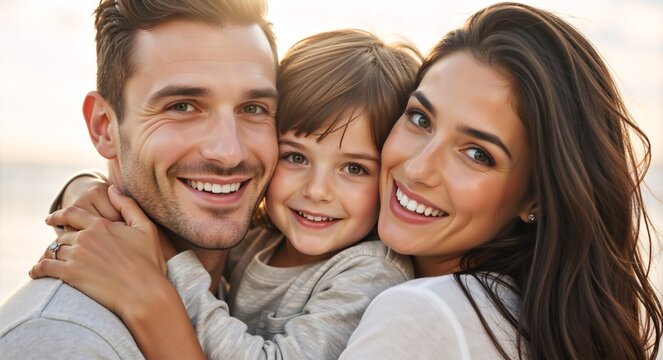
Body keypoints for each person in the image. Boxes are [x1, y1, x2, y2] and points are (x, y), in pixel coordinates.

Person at [29, 29, 420, 359]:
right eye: (296, 157)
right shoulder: (262, 236)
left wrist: (165, 266)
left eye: (354, 168)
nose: (317, 191)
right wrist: (83, 191)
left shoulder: (370, 272)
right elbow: (175, 209)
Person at [339, 2, 663, 359]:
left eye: (478, 154)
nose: (418, 169)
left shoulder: (420, 315)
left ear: (536, 199)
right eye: (420, 119)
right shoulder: (529, 322)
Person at [0, 0, 278, 358]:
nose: (230, 152)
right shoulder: (63, 340)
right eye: (182, 106)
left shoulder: (282, 281)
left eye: (253, 109)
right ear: (104, 127)